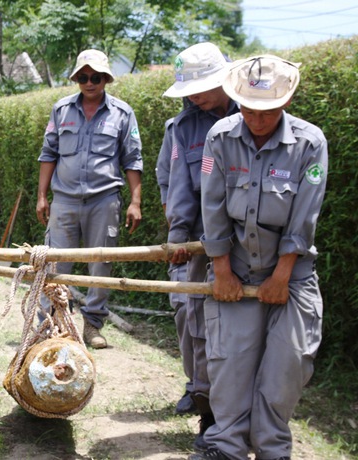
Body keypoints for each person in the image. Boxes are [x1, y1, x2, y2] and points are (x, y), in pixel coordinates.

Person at [190, 55, 327, 460]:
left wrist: (282, 275)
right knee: (230, 366)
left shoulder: (310, 143)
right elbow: (211, 204)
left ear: (284, 103)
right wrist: (221, 271)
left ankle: (271, 449)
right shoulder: (220, 138)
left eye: (266, 111)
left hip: (291, 273)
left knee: (286, 369)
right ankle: (226, 448)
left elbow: (305, 215)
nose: (256, 119)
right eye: (247, 109)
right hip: (234, 267)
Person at [36, 49, 143, 349]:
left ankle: (93, 326)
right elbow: (49, 154)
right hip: (65, 200)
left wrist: (135, 202)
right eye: (83, 77)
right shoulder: (61, 110)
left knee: (101, 264)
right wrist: (42, 196)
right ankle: (51, 325)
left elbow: (133, 159)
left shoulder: (123, 113)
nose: (89, 82)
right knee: (55, 263)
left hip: (104, 200)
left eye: (95, 77)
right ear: (76, 79)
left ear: (106, 79)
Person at [162, 42, 239, 450]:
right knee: (197, 324)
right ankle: (208, 412)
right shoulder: (183, 127)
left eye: (202, 87)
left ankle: (236, 416)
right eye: (189, 89)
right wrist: (178, 240)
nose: (195, 96)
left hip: (247, 243)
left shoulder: (253, 114)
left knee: (237, 330)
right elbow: (178, 186)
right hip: (199, 241)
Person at [155, 117, 195, 416]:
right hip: (187, 237)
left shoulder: (242, 121)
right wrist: (177, 231)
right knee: (184, 307)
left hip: (235, 244)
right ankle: (197, 388)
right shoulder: (178, 128)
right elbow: (168, 182)